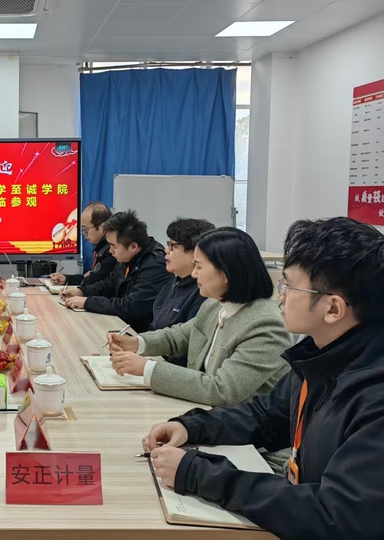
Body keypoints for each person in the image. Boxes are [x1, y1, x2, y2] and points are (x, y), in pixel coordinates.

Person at [144, 217, 384, 540]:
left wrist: (197, 473)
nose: (280, 296)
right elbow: (266, 415)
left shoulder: (374, 395)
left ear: (333, 309)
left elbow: (335, 515)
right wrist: (191, 426)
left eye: (289, 286)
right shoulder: (322, 356)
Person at [109, 227, 291, 406]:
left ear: (225, 273)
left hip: (238, 422)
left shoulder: (266, 325)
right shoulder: (214, 305)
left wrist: (148, 368)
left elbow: (221, 390)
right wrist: (137, 343)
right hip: (204, 412)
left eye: (199, 266)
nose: (194, 273)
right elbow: (179, 336)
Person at [62, 210, 171, 332]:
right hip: (123, 326)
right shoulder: (127, 256)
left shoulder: (155, 265)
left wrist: (87, 302)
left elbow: (131, 307)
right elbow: (109, 283)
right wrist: (81, 291)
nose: (110, 251)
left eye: (113, 246)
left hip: (140, 334)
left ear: (133, 246)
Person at [151, 218, 216, 366]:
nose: (166, 250)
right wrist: (137, 343)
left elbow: (187, 347)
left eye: (173, 246)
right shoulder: (173, 282)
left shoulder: (205, 294)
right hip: (159, 361)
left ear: (195, 252)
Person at [49, 201, 115, 289]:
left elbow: (93, 281)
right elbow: (90, 278)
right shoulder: (100, 248)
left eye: (86, 229)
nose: (84, 233)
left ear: (102, 228)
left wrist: (88, 278)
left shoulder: (111, 251)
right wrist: (66, 279)